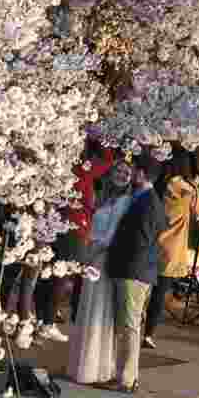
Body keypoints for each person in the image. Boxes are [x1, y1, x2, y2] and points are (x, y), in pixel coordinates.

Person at [100, 159, 168, 393]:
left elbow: (143, 240)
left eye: (135, 171)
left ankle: (127, 379)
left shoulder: (148, 203)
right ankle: (124, 375)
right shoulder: (146, 199)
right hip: (134, 270)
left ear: (142, 174)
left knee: (129, 325)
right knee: (126, 323)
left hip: (134, 271)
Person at [67, 163, 133, 384]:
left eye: (127, 173)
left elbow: (112, 233)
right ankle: (81, 364)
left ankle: (95, 367)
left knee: (98, 309)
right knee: (87, 306)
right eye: (118, 171)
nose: (122, 176)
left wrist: (94, 252)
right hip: (92, 253)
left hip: (103, 257)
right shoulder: (104, 198)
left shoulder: (125, 201)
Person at [143, 152, 199, 349]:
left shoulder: (158, 184)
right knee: (159, 293)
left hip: (151, 241)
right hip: (172, 246)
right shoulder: (189, 189)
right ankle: (148, 333)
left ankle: (131, 325)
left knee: (141, 289)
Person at [62, 139, 116, 322]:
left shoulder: (75, 168)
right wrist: (101, 139)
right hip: (77, 224)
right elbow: (107, 162)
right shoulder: (82, 170)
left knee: (67, 272)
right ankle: (57, 314)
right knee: (73, 272)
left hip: (72, 222)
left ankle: (52, 314)